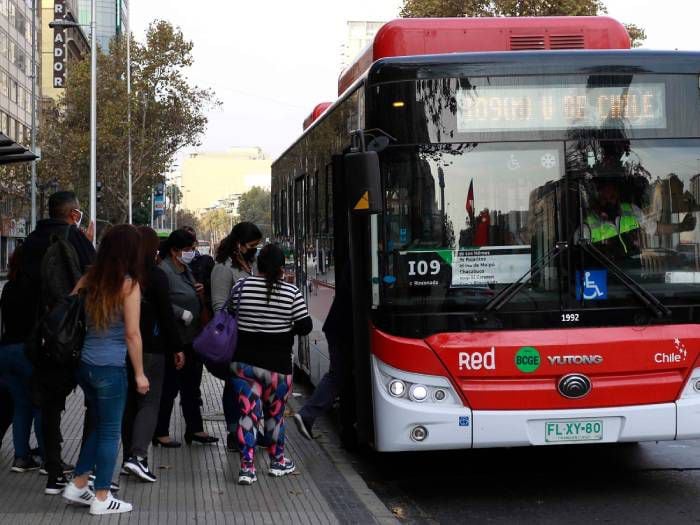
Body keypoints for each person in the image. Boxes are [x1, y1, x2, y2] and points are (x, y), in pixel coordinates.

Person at [62, 224, 149, 515]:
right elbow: (132, 334)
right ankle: (101, 497)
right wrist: (139, 373)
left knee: (99, 427)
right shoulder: (128, 285)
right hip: (111, 369)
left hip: (84, 365)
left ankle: (78, 483)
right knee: (111, 432)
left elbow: (69, 312)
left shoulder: (88, 279)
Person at [20, 190, 95, 495]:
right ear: (72, 214)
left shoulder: (29, 244)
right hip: (76, 334)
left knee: (50, 406)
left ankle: (53, 472)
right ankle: (84, 472)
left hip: (42, 336)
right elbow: (93, 279)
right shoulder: (75, 238)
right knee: (96, 402)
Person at [230, 244, 312, 485]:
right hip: (278, 367)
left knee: (247, 415)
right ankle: (277, 462)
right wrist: (285, 327)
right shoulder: (291, 292)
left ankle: (247, 468)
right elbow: (305, 326)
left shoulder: (241, 288)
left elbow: (232, 314)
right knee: (275, 416)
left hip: (244, 365)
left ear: (258, 263)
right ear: (281, 267)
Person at [121, 226, 184, 482]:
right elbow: (167, 316)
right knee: (149, 402)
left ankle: (128, 456)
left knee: (129, 405)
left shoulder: (121, 275)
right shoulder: (155, 276)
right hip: (152, 348)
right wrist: (177, 347)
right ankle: (138, 456)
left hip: (122, 349)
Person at [154, 229, 218, 446]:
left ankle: (195, 429)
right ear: (174, 251)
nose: (192, 252)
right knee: (170, 387)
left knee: (192, 387)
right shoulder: (164, 271)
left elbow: (190, 293)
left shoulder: (186, 268)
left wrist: (199, 292)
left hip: (193, 338)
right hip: (174, 339)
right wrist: (181, 312)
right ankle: (161, 431)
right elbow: (158, 302)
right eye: (189, 249)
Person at [210, 222, 262, 450]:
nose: (255, 250)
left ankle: (250, 428)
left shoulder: (250, 265)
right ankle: (234, 432)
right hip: (234, 337)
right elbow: (219, 306)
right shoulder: (223, 268)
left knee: (249, 386)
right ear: (239, 244)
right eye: (252, 245)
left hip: (252, 336)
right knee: (233, 385)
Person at [293, 266, 352, 441]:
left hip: (338, 327)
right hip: (342, 329)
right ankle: (307, 415)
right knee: (338, 375)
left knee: (339, 374)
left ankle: (308, 415)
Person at [0, 245, 43, 472]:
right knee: (40, 405)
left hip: (6, 350)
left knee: (20, 405)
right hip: (27, 351)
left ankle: (21, 456)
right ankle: (47, 455)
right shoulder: (36, 288)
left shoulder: (8, 287)